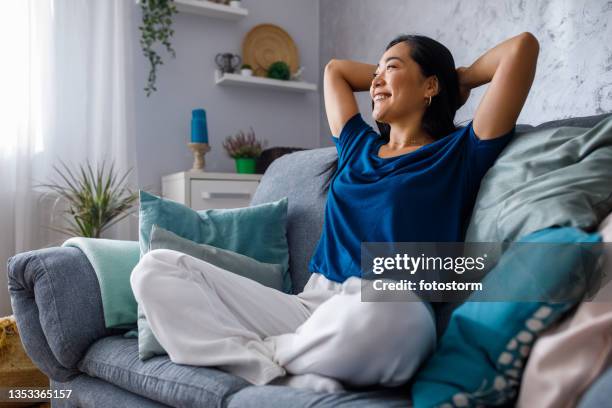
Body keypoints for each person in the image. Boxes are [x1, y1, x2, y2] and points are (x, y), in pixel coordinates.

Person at [130, 32, 539, 393]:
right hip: (310, 304)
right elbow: (335, 71)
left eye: (390, 68)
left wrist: (457, 78)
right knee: (155, 269)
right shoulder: (356, 146)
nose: (375, 80)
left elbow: (521, 49)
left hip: (385, 303)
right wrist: (391, 74)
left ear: (429, 84)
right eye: (375, 72)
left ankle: (268, 357)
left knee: (398, 319)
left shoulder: (460, 152)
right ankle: (282, 367)